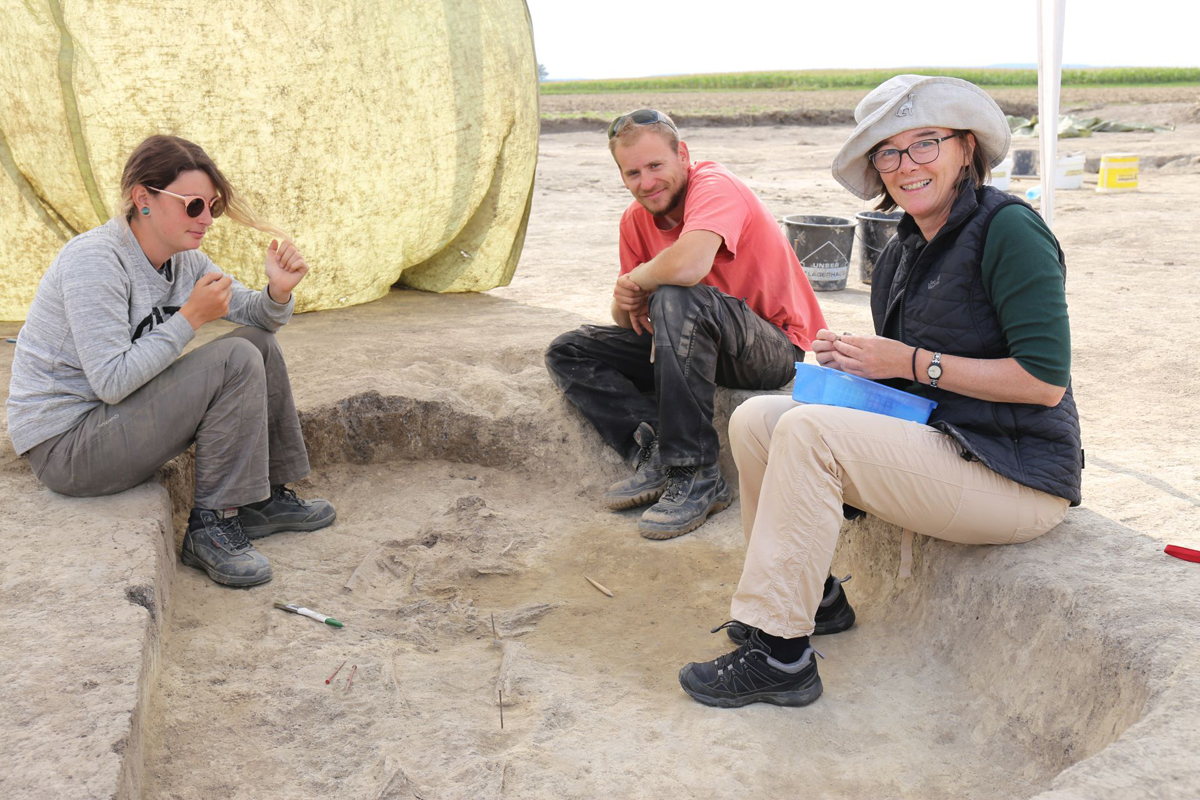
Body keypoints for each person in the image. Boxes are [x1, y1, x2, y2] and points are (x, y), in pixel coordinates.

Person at [677, 75, 1082, 708]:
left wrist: (910, 361)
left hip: (1017, 476)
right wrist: (861, 365)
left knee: (809, 431)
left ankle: (781, 658)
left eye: (926, 143)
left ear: (966, 148)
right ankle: (812, 599)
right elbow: (914, 380)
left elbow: (1042, 383)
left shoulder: (1010, 230)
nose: (905, 165)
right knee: (758, 418)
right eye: (888, 152)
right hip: (949, 445)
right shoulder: (900, 251)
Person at [6, 134, 335, 588]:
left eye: (213, 207)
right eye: (193, 205)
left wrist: (278, 290)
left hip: (112, 421)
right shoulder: (95, 260)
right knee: (235, 357)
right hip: (67, 446)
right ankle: (210, 528)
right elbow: (111, 382)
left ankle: (261, 498)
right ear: (144, 198)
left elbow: (255, 314)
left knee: (257, 341)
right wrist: (189, 318)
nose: (206, 220)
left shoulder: (185, 261)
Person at [545, 110, 827, 539]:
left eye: (655, 165)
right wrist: (624, 298)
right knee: (570, 350)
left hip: (770, 346)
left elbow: (690, 266)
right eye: (633, 172)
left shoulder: (715, 186)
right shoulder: (633, 222)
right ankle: (655, 450)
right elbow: (632, 320)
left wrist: (638, 278)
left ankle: (697, 473)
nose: (647, 181)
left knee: (678, 295)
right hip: (688, 338)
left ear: (683, 156)